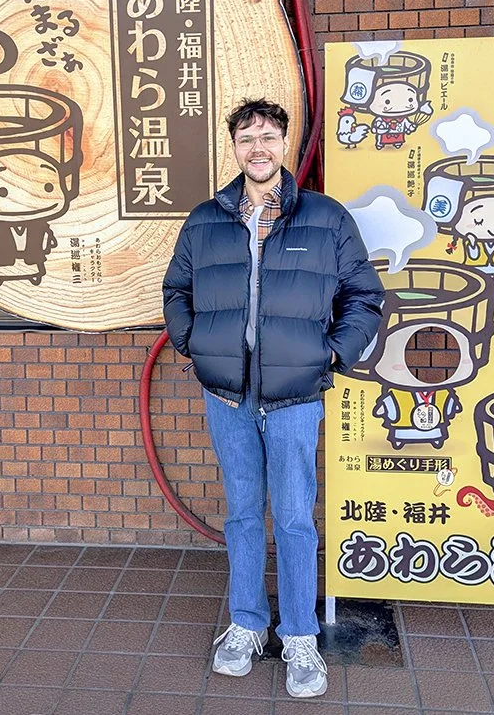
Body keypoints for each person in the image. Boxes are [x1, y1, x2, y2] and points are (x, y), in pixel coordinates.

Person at [163, 99, 384, 699]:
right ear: (233, 147)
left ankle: (301, 636)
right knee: (240, 514)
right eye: (245, 138)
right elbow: (177, 288)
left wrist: (333, 355)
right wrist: (192, 343)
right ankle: (245, 624)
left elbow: (365, 296)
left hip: (294, 396)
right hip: (227, 395)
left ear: (284, 144)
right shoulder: (206, 220)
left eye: (268, 136)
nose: (257, 148)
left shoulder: (325, 218)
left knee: (291, 517)